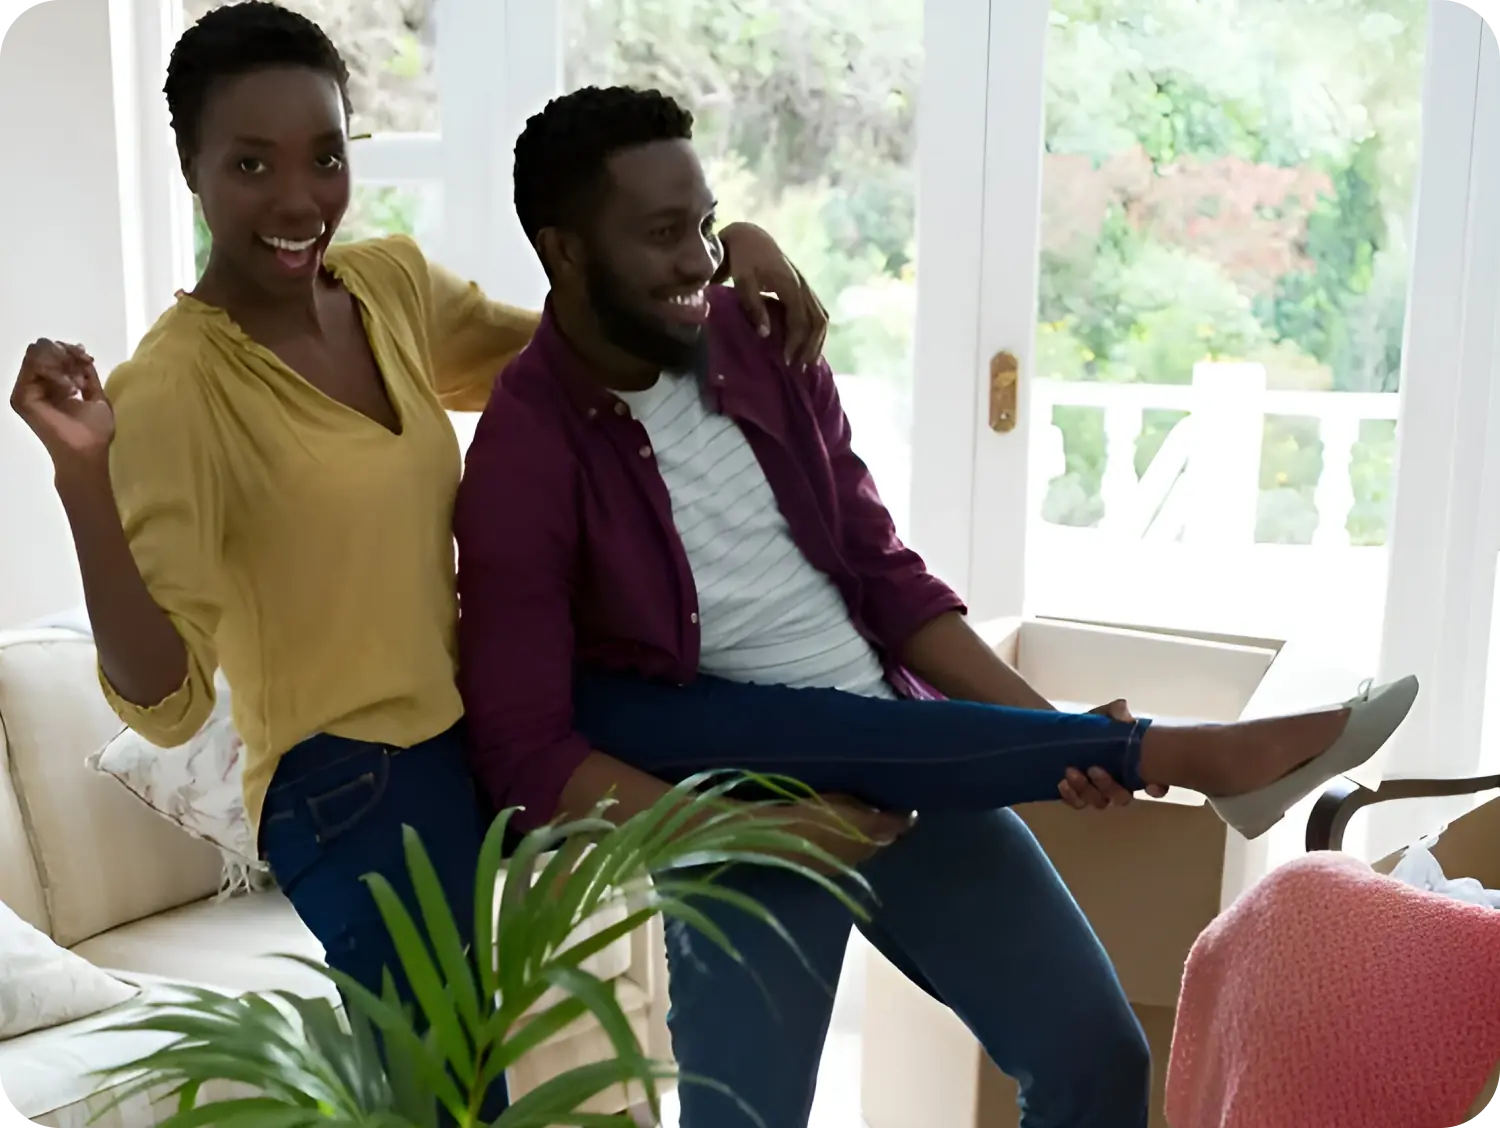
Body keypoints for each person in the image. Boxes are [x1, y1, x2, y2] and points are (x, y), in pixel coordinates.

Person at [451, 85, 1420, 1127]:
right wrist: (767, 831)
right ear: (564, 253)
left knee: (1096, 1056)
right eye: (661, 236)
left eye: (705, 223)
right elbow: (528, 750)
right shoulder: (525, 453)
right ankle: (1185, 754)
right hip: (738, 806)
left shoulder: (760, 342)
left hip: (899, 744)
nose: (701, 261)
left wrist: (1039, 734)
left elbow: (883, 575)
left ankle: (1155, 751)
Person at [5, 5, 835, 1117]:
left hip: (470, 735)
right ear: (193, 172)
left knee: (714, 844)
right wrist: (83, 481)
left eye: (326, 155)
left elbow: (577, 347)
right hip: (346, 788)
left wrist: (722, 254)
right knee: (452, 1099)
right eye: (251, 163)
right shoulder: (177, 387)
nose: (299, 200)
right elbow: (164, 703)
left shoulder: (387, 285)